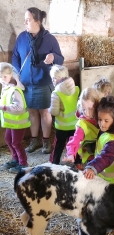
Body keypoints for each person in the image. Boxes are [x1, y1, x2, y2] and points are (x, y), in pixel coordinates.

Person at [12, 7, 64, 154]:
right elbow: (15, 56)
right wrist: (17, 74)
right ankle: (35, 140)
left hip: (44, 82)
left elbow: (61, 58)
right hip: (26, 84)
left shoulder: (50, 39)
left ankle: (46, 141)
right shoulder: (22, 37)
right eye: (25, 20)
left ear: (38, 22)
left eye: (28, 20)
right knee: (32, 113)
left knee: (45, 113)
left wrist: (53, 57)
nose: (25, 23)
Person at [83, 95, 114, 184]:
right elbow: (103, 144)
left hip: (112, 177)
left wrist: (92, 167)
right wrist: (90, 147)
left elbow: (106, 156)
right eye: (99, 119)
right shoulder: (110, 129)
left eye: (106, 120)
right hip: (106, 172)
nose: (101, 124)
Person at [0, 62, 30, 173]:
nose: (2, 79)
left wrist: (3, 107)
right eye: (0, 77)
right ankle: (15, 159)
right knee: (8, 139)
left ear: (11, 75)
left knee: (16, 142)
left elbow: (19, 106)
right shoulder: (6, 88)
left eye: (5, 77)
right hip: (11, 122)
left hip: (19, 122)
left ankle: (23, 163)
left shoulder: (15, 90)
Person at [48, 65, 80, 165]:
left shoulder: (56, 93)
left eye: (54, 78)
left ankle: (54, 163)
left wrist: (49, 110)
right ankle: (78, 163)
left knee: (58, 145)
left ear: (61, 78)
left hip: (62, 126)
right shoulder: (76, 89)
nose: (53, 80)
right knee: (75, 145)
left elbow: (54, 112)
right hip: (75, 124)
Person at [62, 87, 100, 166]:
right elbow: (75, 139)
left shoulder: (101, 116)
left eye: (91, 109)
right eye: (84, 109)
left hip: (102, 153)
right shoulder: (82, 124)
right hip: (91, 157)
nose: (87, 114)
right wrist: (71, 154)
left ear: (97, 105)